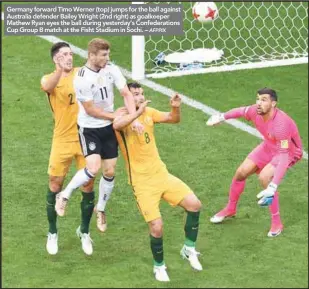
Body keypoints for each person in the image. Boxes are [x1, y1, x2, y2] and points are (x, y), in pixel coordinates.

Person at [55, 39, 144, 245]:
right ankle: (64, 195)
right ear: (92, 55)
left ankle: (101, 209)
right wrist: (116, 117)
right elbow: (90, 110)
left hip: (108, 127)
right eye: (103, 55)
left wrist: (134, 118)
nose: (107, 58)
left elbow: (125, 93)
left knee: (110, 172)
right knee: (93, 168)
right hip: (90, 128)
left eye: (107, 54)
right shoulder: (82, 79)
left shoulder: (111, 69)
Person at [113, 82, 203, 282]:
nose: (140, 97)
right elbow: (117, 126)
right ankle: (159, 266)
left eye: (141, 94)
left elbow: (173, 119)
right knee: (157, 226)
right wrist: (136, 115)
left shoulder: (149, 112)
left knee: (194, 205)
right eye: (136, 94)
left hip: (161, 174)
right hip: (142, 183)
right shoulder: (120, 115)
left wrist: (175, 108)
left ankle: (188, 249)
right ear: (127, 96)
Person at [206, 87, 303, 237]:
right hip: (269, 145)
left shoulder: (281, 125)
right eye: (258, 99)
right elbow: (240, 111)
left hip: (288, 152)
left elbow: (284, 156)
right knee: (241, 173)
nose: (259, 103)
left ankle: (277, 223)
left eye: (264, 100)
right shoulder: (254, 111)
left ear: (273, 104)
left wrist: (273, 185)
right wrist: (222, 117)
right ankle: (230, 209)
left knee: (265, 178)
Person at [41, 42, 95, 255]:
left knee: (88, 184)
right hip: (62, 140)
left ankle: (84, 231)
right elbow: (47, 87)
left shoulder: (82, 74)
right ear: (56, 59)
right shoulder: (49, 78)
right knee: (55, 184)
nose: (69, 57)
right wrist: (60, 71)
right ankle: (52, 232)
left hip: (85, 138)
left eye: (71, 54)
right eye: (64, 54)